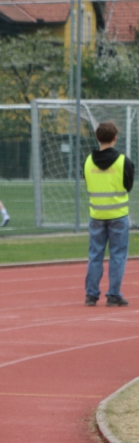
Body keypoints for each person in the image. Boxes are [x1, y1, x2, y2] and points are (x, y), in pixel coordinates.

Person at [84, 120, 133, 307]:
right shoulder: (123, 161)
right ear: (115, 138)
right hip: (118, 214)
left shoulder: (88, 161)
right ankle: (113, 295)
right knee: (118, 256)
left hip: (97, 214)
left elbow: (88, 183)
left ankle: (91, 295)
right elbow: (128, 185)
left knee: (95, 255)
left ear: (97, 138)